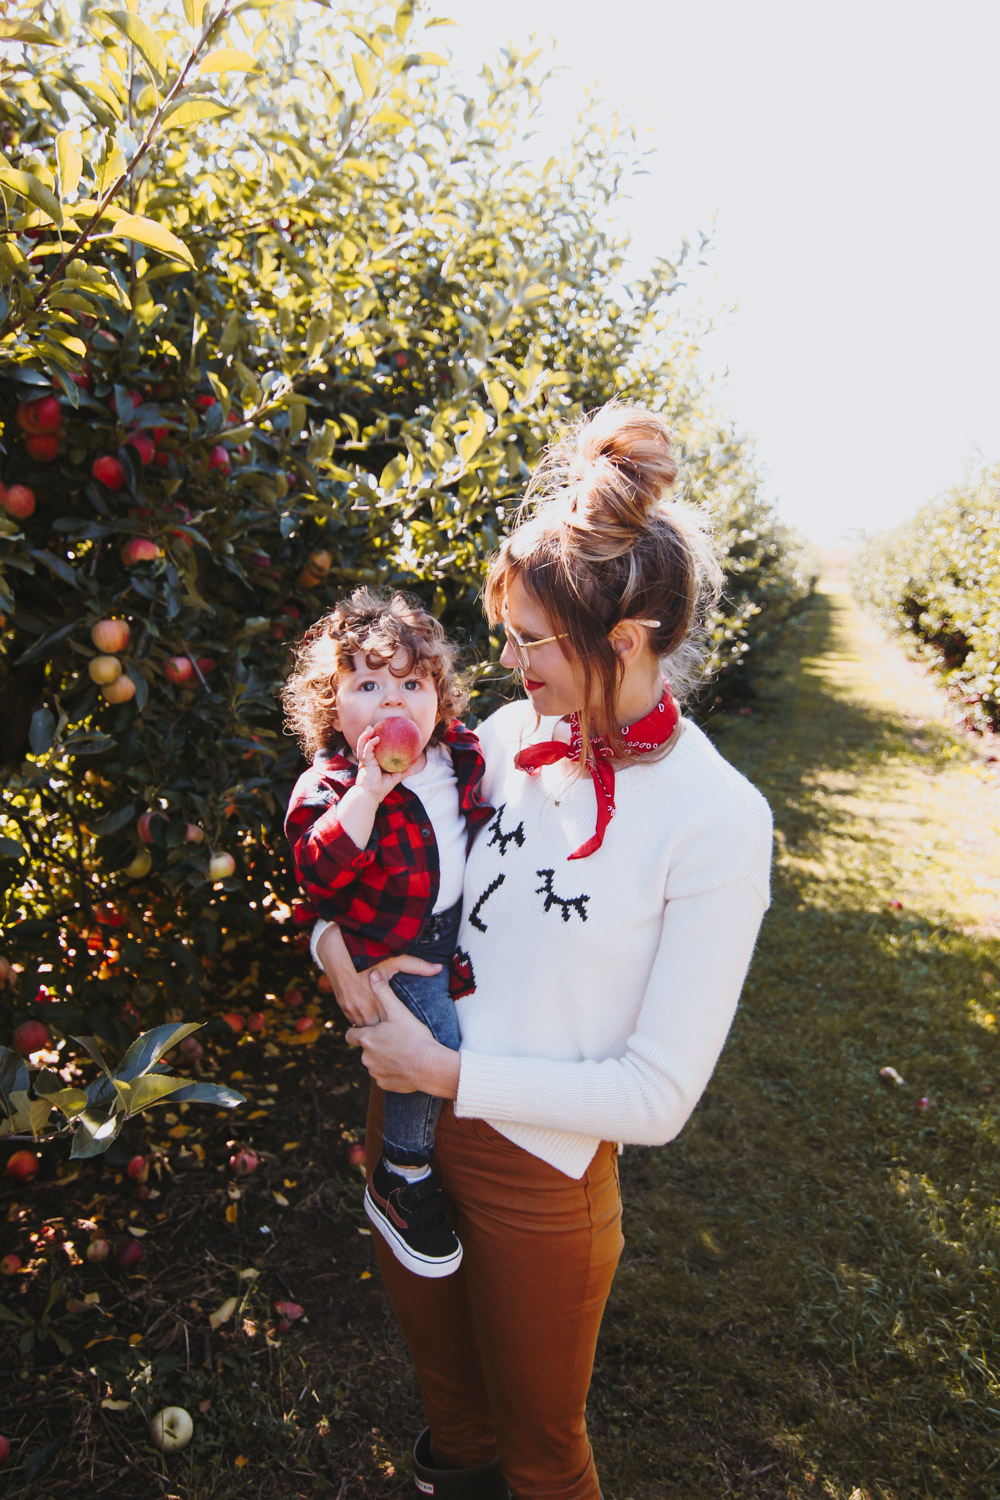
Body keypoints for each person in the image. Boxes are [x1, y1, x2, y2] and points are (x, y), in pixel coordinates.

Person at [318, 403, 774, 1500]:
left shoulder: (715, 817)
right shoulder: (508, 742)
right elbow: (366, 875)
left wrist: (451, 1073)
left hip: (542, 1170)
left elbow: (658, 1097)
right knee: (451, 1406)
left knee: (541, 1449)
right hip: (411, 1121)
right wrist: (344, 962)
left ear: (622, 643)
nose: (506, 661)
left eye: (529, 640)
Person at [282, 589, 493, 1277]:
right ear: (332, 705)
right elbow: (318, 876)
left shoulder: (456, 753)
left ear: (439, 696)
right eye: (368, 684)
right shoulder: (332, 785)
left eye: (411, 682)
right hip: (389, 953)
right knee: (435, 1045)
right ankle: (400, 1174)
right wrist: (366, 793)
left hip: (450, 939)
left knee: (460, 1034)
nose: (394, 701)